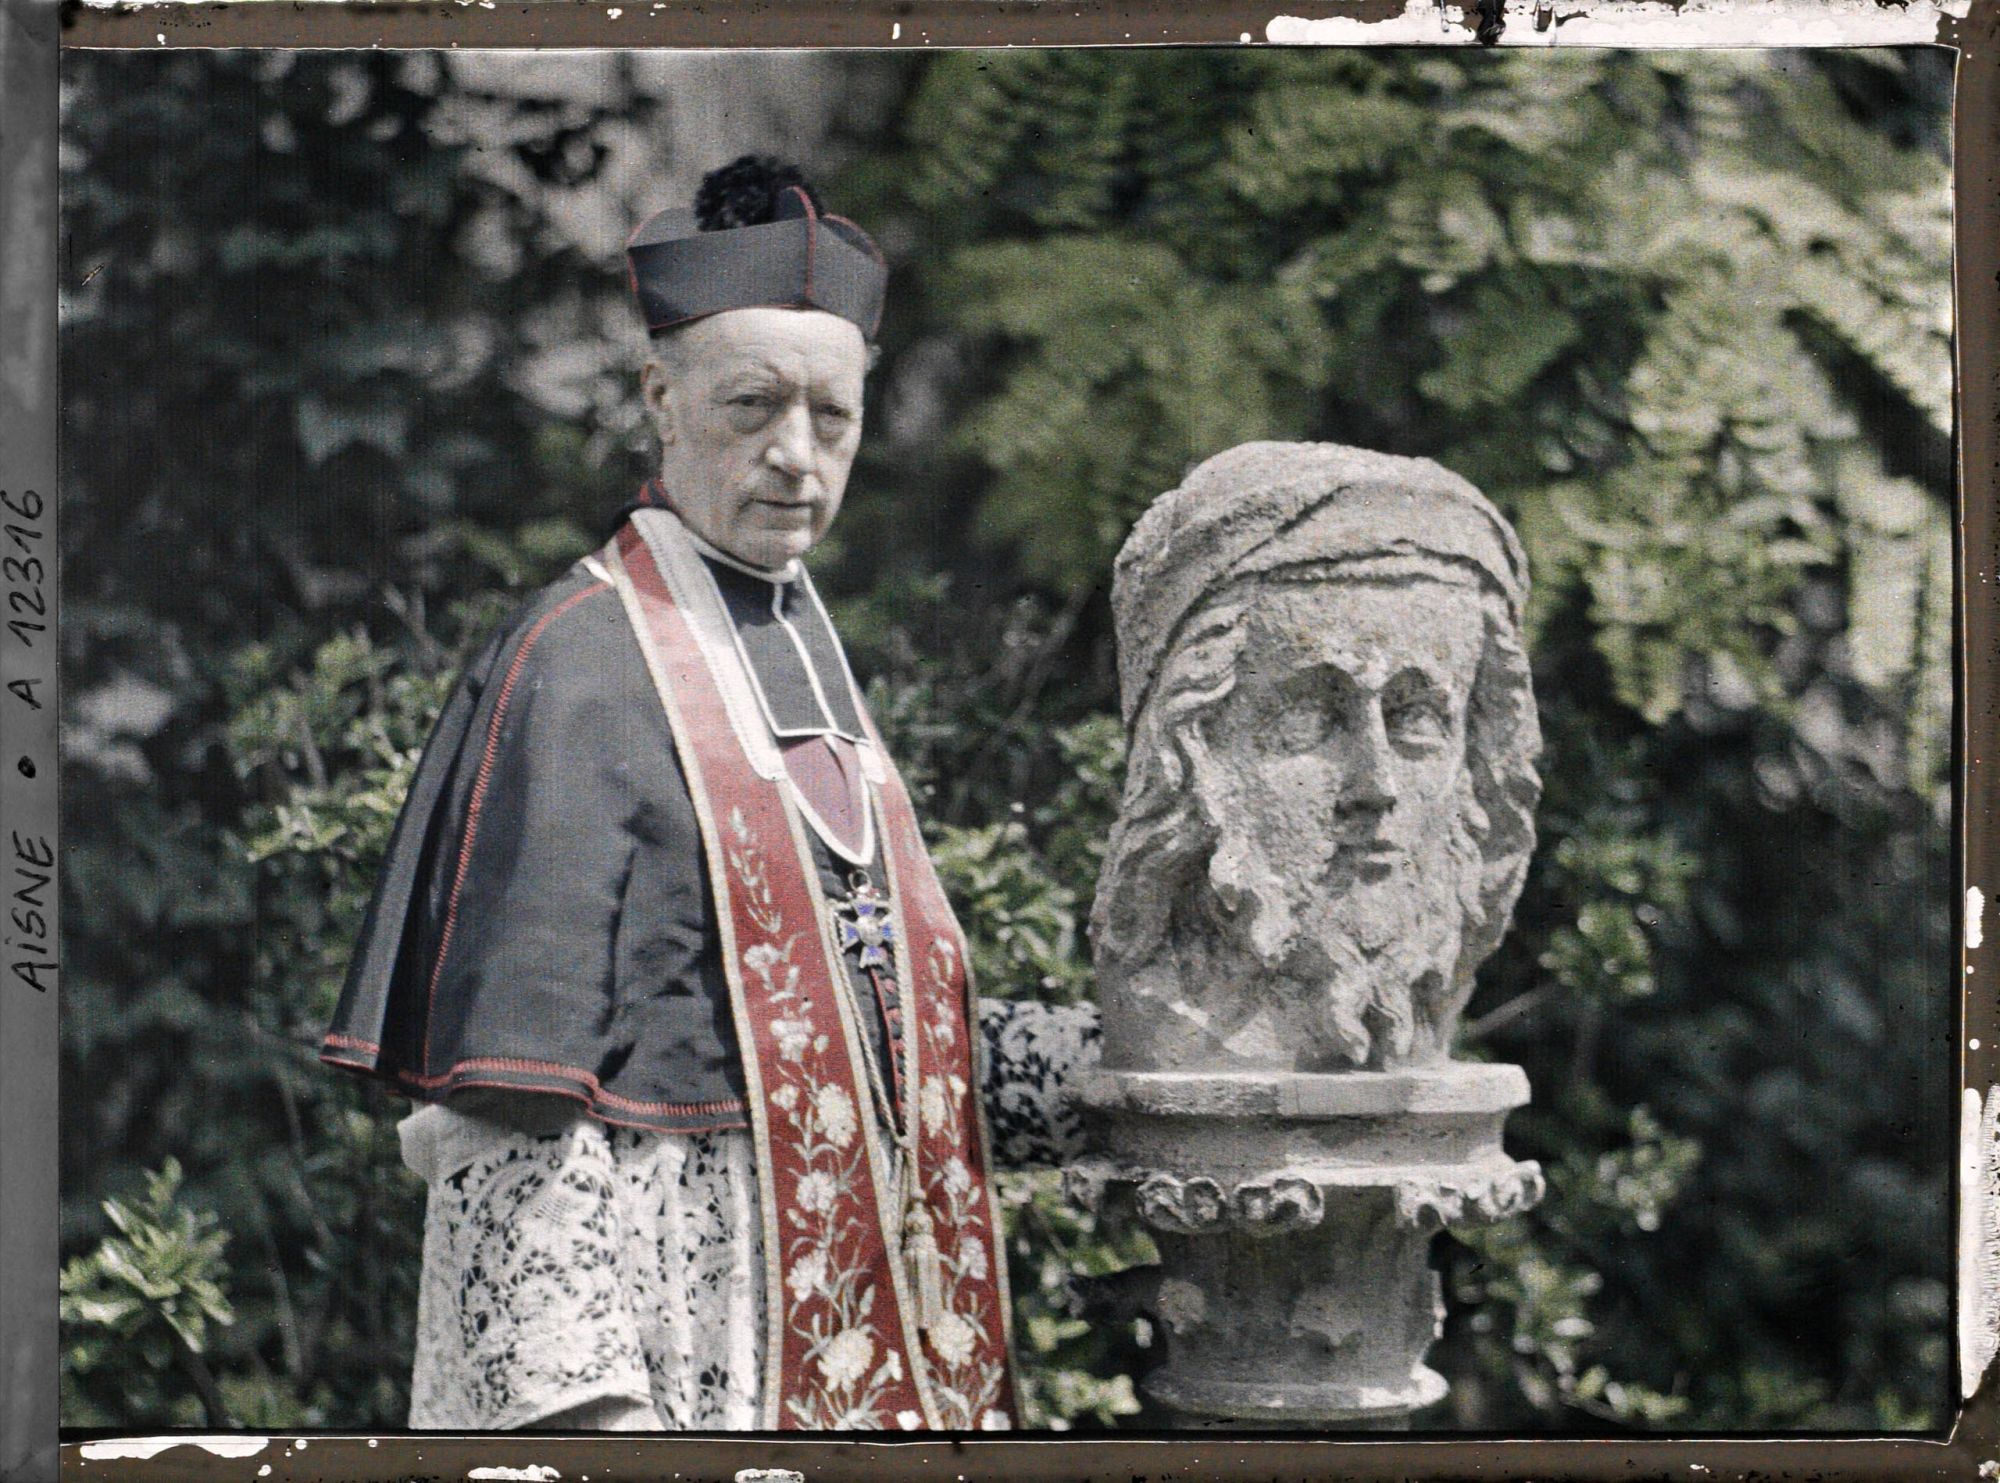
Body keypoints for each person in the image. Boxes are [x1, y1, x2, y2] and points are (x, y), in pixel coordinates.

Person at [321, 156, 1096, 1434]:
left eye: (832, 417)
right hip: (675, 1333)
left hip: (862, 1316)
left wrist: (1115, 1069)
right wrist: (597, 1419)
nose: (796, 457)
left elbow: (871, 1027)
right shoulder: (576, 663)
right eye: (752, 405)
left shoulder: (804, 644)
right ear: (660, 399)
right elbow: (510, 1113)